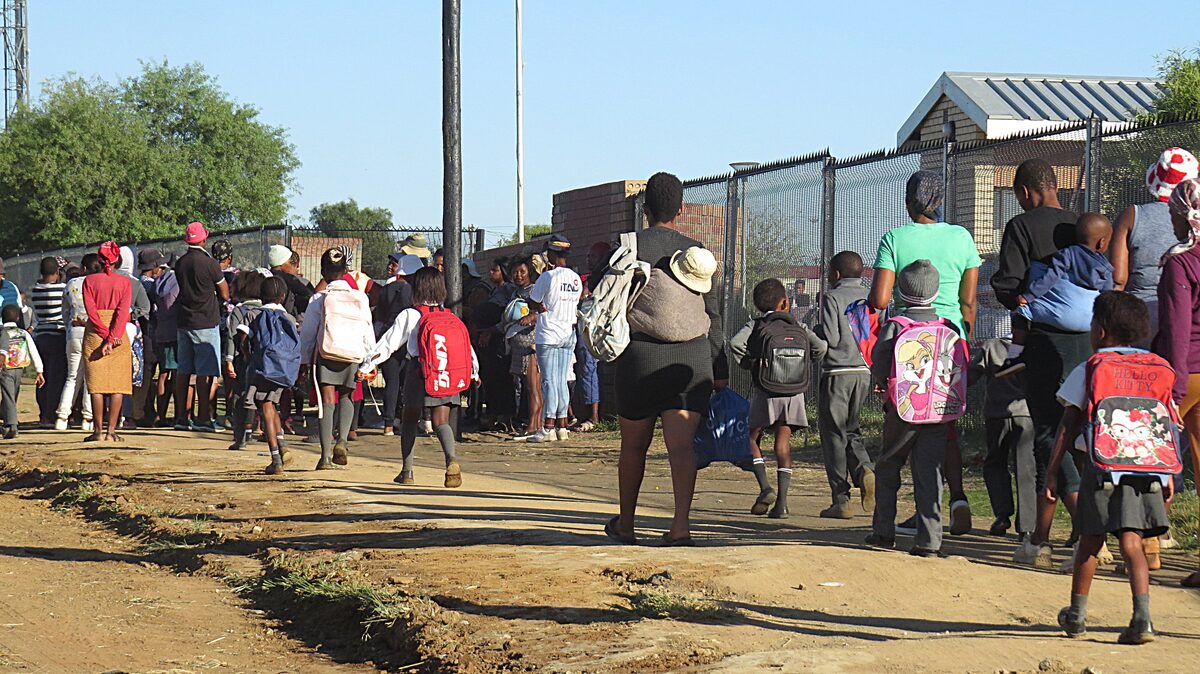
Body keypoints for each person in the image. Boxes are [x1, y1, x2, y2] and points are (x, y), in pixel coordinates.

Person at [605, 172, 727, 547]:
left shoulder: (627, 246)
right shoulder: (695, 252)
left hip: (639, 357)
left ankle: (626, 525)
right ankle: (680, 527)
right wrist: (720, 370)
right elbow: (714, 316)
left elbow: (605, 298)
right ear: (682, 209)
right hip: (690, 361)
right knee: (681, 447)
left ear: (645, 209)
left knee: (633, 446)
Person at [1049, 291, 1169, 645]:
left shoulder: (1091, 367)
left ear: (1100, 331)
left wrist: (1054, 469)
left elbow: (1068, 423)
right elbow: (1165, 425)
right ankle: (1143, 618)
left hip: (1100, 468)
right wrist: (1167, 475)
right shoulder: (1157, 368)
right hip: (1147, 469)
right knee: (1133, 541)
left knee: (1090, 540)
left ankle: (1077, 616)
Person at [869, 169, 980, 536]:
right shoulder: (962, 237)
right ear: (941, 201)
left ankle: (889, 523)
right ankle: (956, 499)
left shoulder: (895, 239)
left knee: (902, 426)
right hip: (950, 341)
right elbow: (968, 301)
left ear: (907, 202)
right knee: (942, 426)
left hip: (908, 343)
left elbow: (880, 299)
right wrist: (963, 341)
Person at [990, 159, 1085, 567]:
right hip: (1088, 342)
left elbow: (1009, 285)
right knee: (1081, 435)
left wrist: (1020, 304)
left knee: (1050, 433)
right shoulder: (1082, 225)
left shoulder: (1021, 227)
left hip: (1044, 343)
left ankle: (1085, 530)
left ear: (1026, 193)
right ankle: (1073, 532)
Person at [865, 260, 954, 557]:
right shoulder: (947, 327)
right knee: (930, 473)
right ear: (937, 292)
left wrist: (881, 383)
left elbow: (879, 363)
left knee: (889, 465)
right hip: (940, 411)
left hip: (903, 412)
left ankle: (883, 532)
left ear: (901, 292)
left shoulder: (896, 326)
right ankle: (930, 540)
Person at [362, 266, 478, 488]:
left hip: (418, 373)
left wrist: (368, 364)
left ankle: (407, 471)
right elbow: (466, 348)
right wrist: (474, 371)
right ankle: (451, 461)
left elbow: (388, 344)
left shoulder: (410, 314)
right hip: (447, 373)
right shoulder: (449, 316)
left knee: (409, 420)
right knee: (441, 421)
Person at [730, 278, 826, 519]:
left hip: (766, 389)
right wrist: (805, 364)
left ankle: (765, 488)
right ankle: (782, 504)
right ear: (785, 302)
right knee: (782, 445)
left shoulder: (756, 324)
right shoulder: (798, 326)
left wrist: (751, 364)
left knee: (752, 438)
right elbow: (821, 348)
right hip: (794, 392)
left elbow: (735, 344)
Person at [1152, 177, 1200, 588]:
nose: (1171, 219)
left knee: (1153, 455)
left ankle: (1149, 549)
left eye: (1174, 212)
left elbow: (1177, 329)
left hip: (1188, 372)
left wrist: (1175, 392)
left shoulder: (1181, 262)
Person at [999, 213, 1115, 377]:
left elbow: (1050, 279)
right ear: (1102, 242)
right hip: (1089, 323)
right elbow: (1108, 295)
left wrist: (1028, 296)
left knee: (1022, 313)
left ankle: (1015, 356)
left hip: (1060, 318)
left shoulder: (1068, 254)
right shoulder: (1105, 266)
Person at [1111, 147, 1199, 338]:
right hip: (1189, 320)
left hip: (1139, 316)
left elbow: (1118, 278)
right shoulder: (1195, 222)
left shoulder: (1132, 216)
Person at [299, 247, 375, 469]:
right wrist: (368, 361)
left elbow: (308, 335)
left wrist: (304, 362)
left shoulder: (318, 299)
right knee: (347, 398)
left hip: (327, 354)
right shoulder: (360, 297)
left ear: (323, 272)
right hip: (352, 355)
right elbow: (367, 331)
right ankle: (342, 440)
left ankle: (324, 456)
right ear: (346, 271)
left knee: (327, 402)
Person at [815, 250, 876, 519]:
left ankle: (841, 499)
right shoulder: (872, 298)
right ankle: (864, 469)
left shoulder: (832, 298)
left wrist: (813, 334)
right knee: (852, 429)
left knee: (833, 436)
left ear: (836, 274)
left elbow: (830, 337)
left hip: (837, 372)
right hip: (863, 371)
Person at [971, 336, 1036, 539]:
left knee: (995, 463)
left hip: (996, 413)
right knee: (1026, 469)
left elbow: (972, 374)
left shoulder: (991, 346)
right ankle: (1027, 526)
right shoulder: (1033, 345)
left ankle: (1002, 515)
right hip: (1025, 413)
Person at [173, 222, 230, 432]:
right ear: (204, 239)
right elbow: (225, 293)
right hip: (206, 320)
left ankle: (181, 417)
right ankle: (203, 418)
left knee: (184, 370)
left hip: (184, 319)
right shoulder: (210, 264)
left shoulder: (180, 263)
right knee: (206, 371)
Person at [527, 235, 583, 443]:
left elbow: (533, 301)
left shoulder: (547, 277)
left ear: (551, 254)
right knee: (561, 380)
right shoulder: (575, 278)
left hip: (549, 333)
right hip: (568, 333)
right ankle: (562, 426)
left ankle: (548, 426)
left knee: (549, 381)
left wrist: (538, 307)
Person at [247, 276, 299, 475]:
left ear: (261, 296)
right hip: (284, 370)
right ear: (284, 296)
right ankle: (282, 444)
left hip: (264, 368)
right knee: (273, 405)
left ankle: (275, 458)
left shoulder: (255, 315)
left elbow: (244, 338)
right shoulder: (290, 319)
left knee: (266, 408)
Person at [82, 241, 133, 443]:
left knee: (97, 385)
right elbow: (122, 313)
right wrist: (112, 337)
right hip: (118, 333)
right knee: (117, 385)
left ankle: (97, 431)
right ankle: (111, 432)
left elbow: (91, 311)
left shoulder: (89, 281)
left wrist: (103, 335)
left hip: (95, 333)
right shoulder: (124, 283)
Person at [375, 254, 421, 436]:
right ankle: (404, 420)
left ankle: (388, 423)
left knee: (391, 382)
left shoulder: (387, 289)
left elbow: (380, 314)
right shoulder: (416, 291)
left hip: (389, 335)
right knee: (406, 382)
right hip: (409, 338)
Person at [55, 253, 100, 431]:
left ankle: (62, 416)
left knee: (72, 376)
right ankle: (87, 418)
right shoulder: (99, 284)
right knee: (91, 378)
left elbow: (64, 311)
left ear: (83, 268)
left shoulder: (71, 284)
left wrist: (69, 325)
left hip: (74, 333)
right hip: (94, 333)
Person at [224, 270, 267, 451]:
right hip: (263, 361)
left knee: (241, 396)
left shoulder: (238, 311)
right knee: (263, 398)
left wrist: (229, 360)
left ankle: (241, 436)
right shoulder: (265, 310)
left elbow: (231, 337)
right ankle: (269, 432)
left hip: (243, 360)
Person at [506, 258, 543, 439]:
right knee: (527, 388)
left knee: (533, 387)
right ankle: (534, 423)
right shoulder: (515, 292)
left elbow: (545, 310)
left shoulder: (536, 290)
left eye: (522, 271)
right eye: (515, 272)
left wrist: (532, 317)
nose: (518, 275)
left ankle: (534, 425)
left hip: (531, 344)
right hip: (517, 345)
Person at [29, 256, 67, 428]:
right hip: (57, 335)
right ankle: (52, 413)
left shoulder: (35, 290)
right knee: (56, 377)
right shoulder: (62, 289)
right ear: (57, 272)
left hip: (40, 337)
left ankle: (43, 413)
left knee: (42, 377)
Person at [134, 249, 168, 426]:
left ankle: (145, 411)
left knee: (145, 374)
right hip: (149, 333)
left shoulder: (137, 282)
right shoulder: (149, 286)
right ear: (153, 267)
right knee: (147, 374)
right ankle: (142, 413)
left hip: (140, 333)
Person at [1, 304, 44, 439]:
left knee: (8, 396)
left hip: (5, 368)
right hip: (20, 369)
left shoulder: (2, 333)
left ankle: (11, 425)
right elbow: (33, 351)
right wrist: (39, 371)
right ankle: (9, 420)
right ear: (19, 318)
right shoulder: (23, 333)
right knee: (12, 395)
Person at [152, 255, 181, 427]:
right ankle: (178, 415)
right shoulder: (178, 282)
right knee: (177, 374)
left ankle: (160, 415)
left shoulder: (160, 282)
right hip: (176, 331)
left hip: (161, 330)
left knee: (163, 374)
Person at [268, 244, 314, 318]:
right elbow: (308, 294)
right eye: (289, 261)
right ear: (282, 263)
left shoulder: (265, 275)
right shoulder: (289, 279)